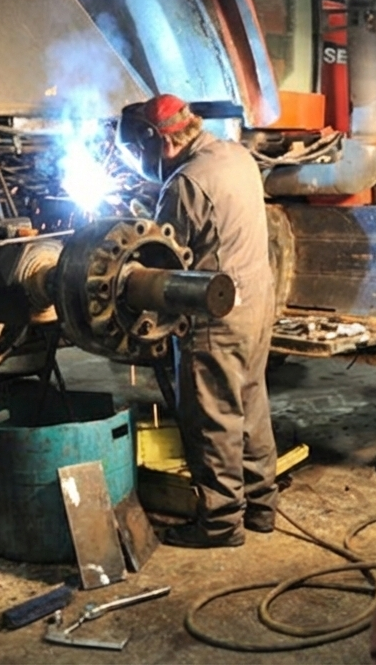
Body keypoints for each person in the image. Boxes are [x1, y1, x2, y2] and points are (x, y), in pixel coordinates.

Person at [118, 94, 278, 548]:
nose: (139, 160)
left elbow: (162, 259)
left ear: (160, 141)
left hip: (214, 315)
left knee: (213, 418)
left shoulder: (186, 183)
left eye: (139, 150)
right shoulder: (236, 155)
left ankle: (220, 523)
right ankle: (261, 506)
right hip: (256, 303)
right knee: (250, 402)